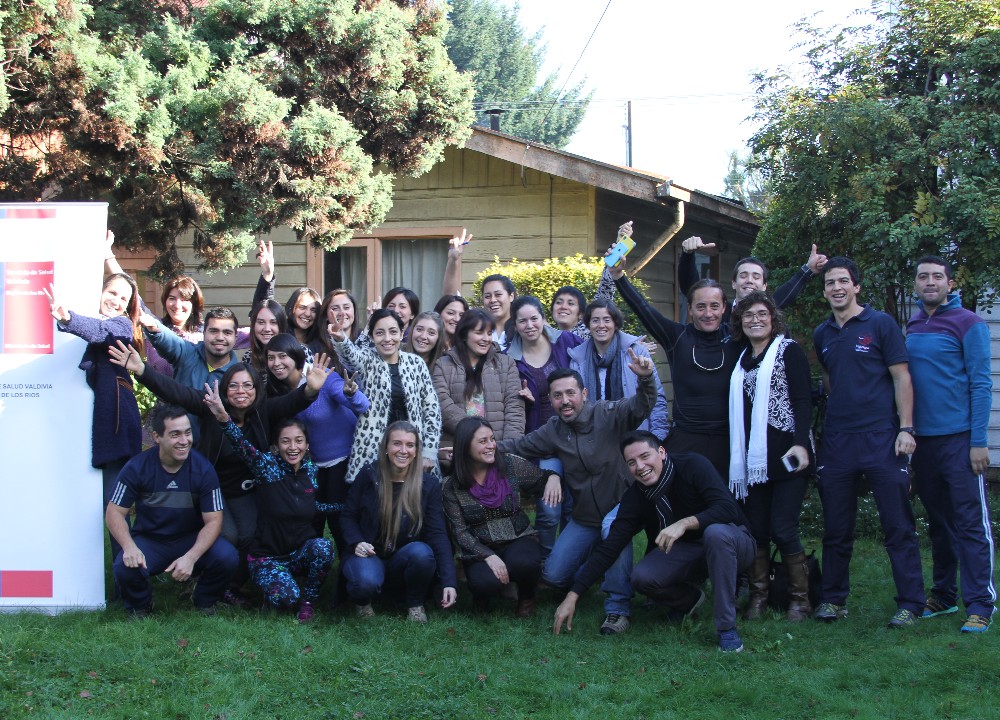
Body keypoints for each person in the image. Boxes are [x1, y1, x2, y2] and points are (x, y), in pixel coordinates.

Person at [109, 343, 328, 602]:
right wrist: (143, 371)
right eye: (234, 385)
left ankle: (231, 584)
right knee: (229, 534)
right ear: (225, 389)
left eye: (248, 385)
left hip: (246, 492)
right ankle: (197, 578)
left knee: (248, 535)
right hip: (212, 491)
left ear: (257, 390)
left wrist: (311, 389)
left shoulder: (263, 412)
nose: (241, 391)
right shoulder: (211, 407)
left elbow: (292, 402)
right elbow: (178, 393)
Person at [498, 353, 658, 636]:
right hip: (585, 516)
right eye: (557, 396)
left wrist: (645, 379)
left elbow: (641, 406)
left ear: (584, 393)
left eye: (571, 393)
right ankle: (595, 570)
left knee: (613, 530)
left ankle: (617, 607)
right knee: (554, 575)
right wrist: (481, 446)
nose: (565, 401)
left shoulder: (608, 414)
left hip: (620, 508)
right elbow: (520, 445)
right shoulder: (554, 431)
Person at [552, 431, 756, 652]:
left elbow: (728, 510)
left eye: (645, 456)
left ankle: (726, 628)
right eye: (632, 462)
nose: (640, 466)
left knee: (715, 534)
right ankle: (689, 599)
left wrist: (685, 523)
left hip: (733, 542)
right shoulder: (637, 496)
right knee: (642, 578)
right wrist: (573, 595)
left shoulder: (693, 465)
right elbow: (610, 547)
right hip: (688, 551)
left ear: (661, 452)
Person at [812, 257, 925, 627]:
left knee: (897, 526)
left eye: (843, 281)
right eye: (830, 283)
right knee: (837, 527)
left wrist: (906, 429)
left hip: (882, 438)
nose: (837, 288)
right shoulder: (822, 333)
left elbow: (901, 379)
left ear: (857, 286)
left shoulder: (880, 325)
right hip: (838, 441)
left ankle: (910, 603)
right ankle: (833, 600)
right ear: (825, 289)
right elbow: (831, 381)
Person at [906, 256, 995, 634]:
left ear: (950, 282)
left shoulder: (969, 323)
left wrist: (978, 442)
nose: (930, 282)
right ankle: (944, 595)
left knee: (971, 524)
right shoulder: (911, 325)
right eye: (923, 277)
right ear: (916, 285)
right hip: (922, 443)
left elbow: (981, 383)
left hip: (959, 441)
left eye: (937, 277)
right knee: (939, 524)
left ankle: (980, 603)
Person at [205, 382, 337, 624]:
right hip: (267, 558)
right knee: (287, 598)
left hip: (297, 554)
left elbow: (307, 506)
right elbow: (241, 445)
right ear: (276, 447)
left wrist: (343, 508)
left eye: (299, 441)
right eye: (286, 442)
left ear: (307, 445)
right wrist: (223, 417)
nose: (293, 447)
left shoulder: (310, 470)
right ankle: (273, 592)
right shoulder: (267, 466)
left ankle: (308, 603)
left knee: (323, 547)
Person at [45, 273, 144, 567]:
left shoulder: (121, 325)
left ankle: (128, 578)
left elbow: (102, 333)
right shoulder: (91, 321)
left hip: (115, 433)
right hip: (78, 430)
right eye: (111, 292)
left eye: (123, 298)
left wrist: (67, 319)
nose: (115, 301)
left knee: (115, 508)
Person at [727, 291, 814, 622]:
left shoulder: (788, 351)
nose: (755, 320)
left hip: (787, 456)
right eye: (748, 316)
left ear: (773, 318)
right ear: (740, 322)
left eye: (761, 314)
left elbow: (804, 401)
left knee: (783, 528)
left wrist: (802, 442)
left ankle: (800, 600)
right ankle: (759, 598)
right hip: (753, 462)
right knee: (757, 529)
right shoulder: (741, 358)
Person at [106, 404, 238, 619]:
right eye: (175, 434)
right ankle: (142, 605)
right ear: (157, 437)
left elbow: (214, 521)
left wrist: (191, 557)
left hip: (190, 538)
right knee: (124, 565)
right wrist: (129, 546)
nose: (184, 440)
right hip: (151, 540)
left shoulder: (203, 469)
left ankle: (204, 599)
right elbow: (114, 512)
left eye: (187, 433)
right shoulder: (136, 467)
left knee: (227, 556)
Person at [610, 258, 740, 477]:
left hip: (728, 441)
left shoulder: (736, 337)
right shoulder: (676, 337)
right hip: (686, 440)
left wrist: (806, 272)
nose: (708, 313)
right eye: (700, 306)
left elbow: (770, 309)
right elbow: (643, 308)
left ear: (724, 308)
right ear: (689, 309)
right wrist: (619, 277)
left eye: (714, 306)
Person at [265, 332, 370, 558]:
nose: (276, 363)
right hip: (309, 464)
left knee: (338, 520)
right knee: (310, 519)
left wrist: (351, 393)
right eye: (271, 358)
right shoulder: (276, 389)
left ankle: (351, 572)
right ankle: (309, 570)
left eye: (282, 356)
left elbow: (362, 405)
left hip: (341, 461)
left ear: (295, 356)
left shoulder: (322, 377)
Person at [340, 422, 458, 622]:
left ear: (416, 450)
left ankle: (415, 603)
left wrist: (449, 581)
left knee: (422, 553)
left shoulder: (428, 484)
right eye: (397, 444)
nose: (403, 450)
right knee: (365, 581)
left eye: (410, 445)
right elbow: (347, 516)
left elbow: (437, 534)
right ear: (386, 446)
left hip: (403, 558)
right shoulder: (368, 475)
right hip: (369, 554)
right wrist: (356, 542)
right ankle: (363, 602)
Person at [443, 417, 556, 617]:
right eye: (483, 441)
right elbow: (459, 532)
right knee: (484, 582)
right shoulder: (452, 487)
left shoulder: (510, 465)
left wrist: (554, 477)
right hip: (479, 545)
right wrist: (489, 555)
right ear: (465, 447)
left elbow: (541, 478)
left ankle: (527, 596)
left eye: (492, 439)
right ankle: (482, 598)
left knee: (526, 563)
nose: (491, 446)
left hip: (518, 537)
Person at [505, 296, 583, 555]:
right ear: (515, 325)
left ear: (543, 318)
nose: (529, 325)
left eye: (534, 318)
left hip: (576, 435)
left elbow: (599, 343)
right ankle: (546, 560)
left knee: (573, 507)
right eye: (522, 321)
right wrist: (525, 402)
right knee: (550, 511)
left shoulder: (566, 341)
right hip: (545, 440)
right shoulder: (510, 358)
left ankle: (570, 562)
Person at [329, 308, 442, 484]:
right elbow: (352, 357)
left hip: (411, 450)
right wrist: (341, 338)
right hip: (374, 451)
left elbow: (432, 410)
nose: (387, 339)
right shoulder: (367, 359)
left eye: (393, 332)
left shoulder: (416, 364)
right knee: (374, 505)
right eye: (380, 333)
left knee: (414, 506)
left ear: (402, 333)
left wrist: (429, 452)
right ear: (372, 337)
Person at [568, 298, 669, 440]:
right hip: (592, 441)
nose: (601, 325)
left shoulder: (636, 352)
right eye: (595, 320)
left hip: (635, 439)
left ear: (616, 324)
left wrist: (656, 438)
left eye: (607, 320)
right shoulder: (578, 359)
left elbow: (656, 399)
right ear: (589, 325)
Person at [678, 231, 827, 326]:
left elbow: (783, 295)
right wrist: (687, 254)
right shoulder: (721, 312)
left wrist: (807, 270)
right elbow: (693, 290)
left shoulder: (767, 314)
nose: (749, 280)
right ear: (734, 283)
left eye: (756, 277)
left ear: (764, 286)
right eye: (743, 275)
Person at [433, 308, 525, 457]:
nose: (486, 338)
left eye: (489, 333)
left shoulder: (505, 363)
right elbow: (442, 404)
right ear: (464, 335)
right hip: (459, 451)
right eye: (479, 333)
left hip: (499, 450)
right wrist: (476, 435)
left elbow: (514, 409)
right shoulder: (443, 364)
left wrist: (506, 449)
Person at [242, 299, 287, 376]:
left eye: (273, 322)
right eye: (261, 322)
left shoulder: (300, 351)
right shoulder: (249, 357)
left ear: (281, 325)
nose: (267, 329)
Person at [481, 274, 516, 349]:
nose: (493, 300)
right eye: (487, 296)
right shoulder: (478, 329)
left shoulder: (521, 328)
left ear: (511, 296)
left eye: (498, 294)